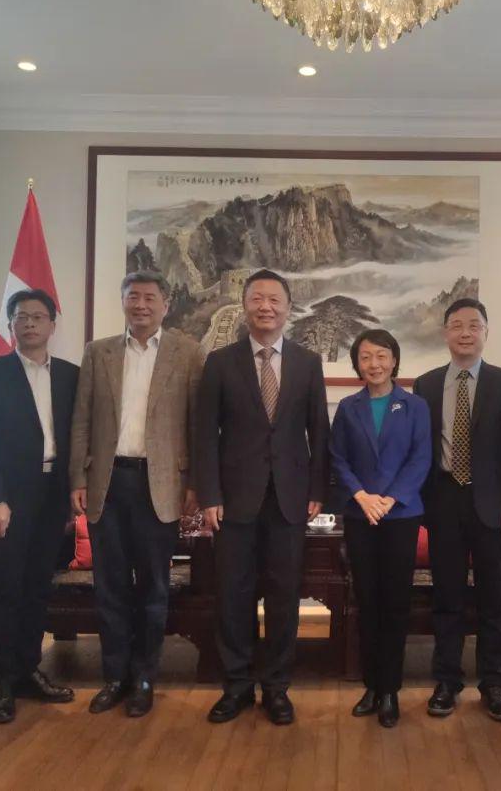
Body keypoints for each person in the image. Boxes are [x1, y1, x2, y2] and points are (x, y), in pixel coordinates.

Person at [196, 269, 330, 726]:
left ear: (288, 308)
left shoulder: (308, 362)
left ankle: (276, 688)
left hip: (290, 499)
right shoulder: (220, 362)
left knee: (284, 596)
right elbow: (204, 434)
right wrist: (209, 493)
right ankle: (235, 686)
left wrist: (318, 490)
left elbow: (319, 431)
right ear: (245, 305)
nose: (266, 306)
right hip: (233, 500)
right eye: (257, 298)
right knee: (232, 594)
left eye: (275, 299)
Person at [69, 270, 205, 718]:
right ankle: (115, 676)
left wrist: (194, 484)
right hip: (107, 482)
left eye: (150, 297)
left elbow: (197, 423)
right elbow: (82, 420)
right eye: (133, 297)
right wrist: (78, 479)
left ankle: (145, 677)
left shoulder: (188, 352)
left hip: (160, 485)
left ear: (166, 304)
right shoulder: (98, 352)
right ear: (123, 302)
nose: (141, 305)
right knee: (109, 586)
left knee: (153, 587)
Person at [413, 298, 501, 723]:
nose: (465, 333)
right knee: (447, 596)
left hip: (493, 504)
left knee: (494, 597)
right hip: (443, 500)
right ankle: (447, 680)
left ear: (485, 332)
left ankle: (495, 683)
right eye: (457, 325)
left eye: (474, 325)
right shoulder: (426, 385)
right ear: (445, 333)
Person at [0, 289, 79, 724]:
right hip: (10, 497)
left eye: (38, 316)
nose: (30, 324)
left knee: (37, 587)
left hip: (54, 494)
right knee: (8, 588)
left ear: (52, 324)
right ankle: (3, 684)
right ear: (10, 325)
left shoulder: (70, 375)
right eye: (21, 317)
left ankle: (29, 670)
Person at [330, 329, 432, 727]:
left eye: (382, 356)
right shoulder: (348, 407)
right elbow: (338, 458)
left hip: (401, 517)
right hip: (360, 517)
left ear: (394, 360)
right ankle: (371, 686)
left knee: (395, 603)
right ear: (357, 363)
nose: (374, 364)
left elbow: (421, 459)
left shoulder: (415, 406)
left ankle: (390, 690)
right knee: (367, 601)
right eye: (366, 357)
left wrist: (389, 499)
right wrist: (361, 496)